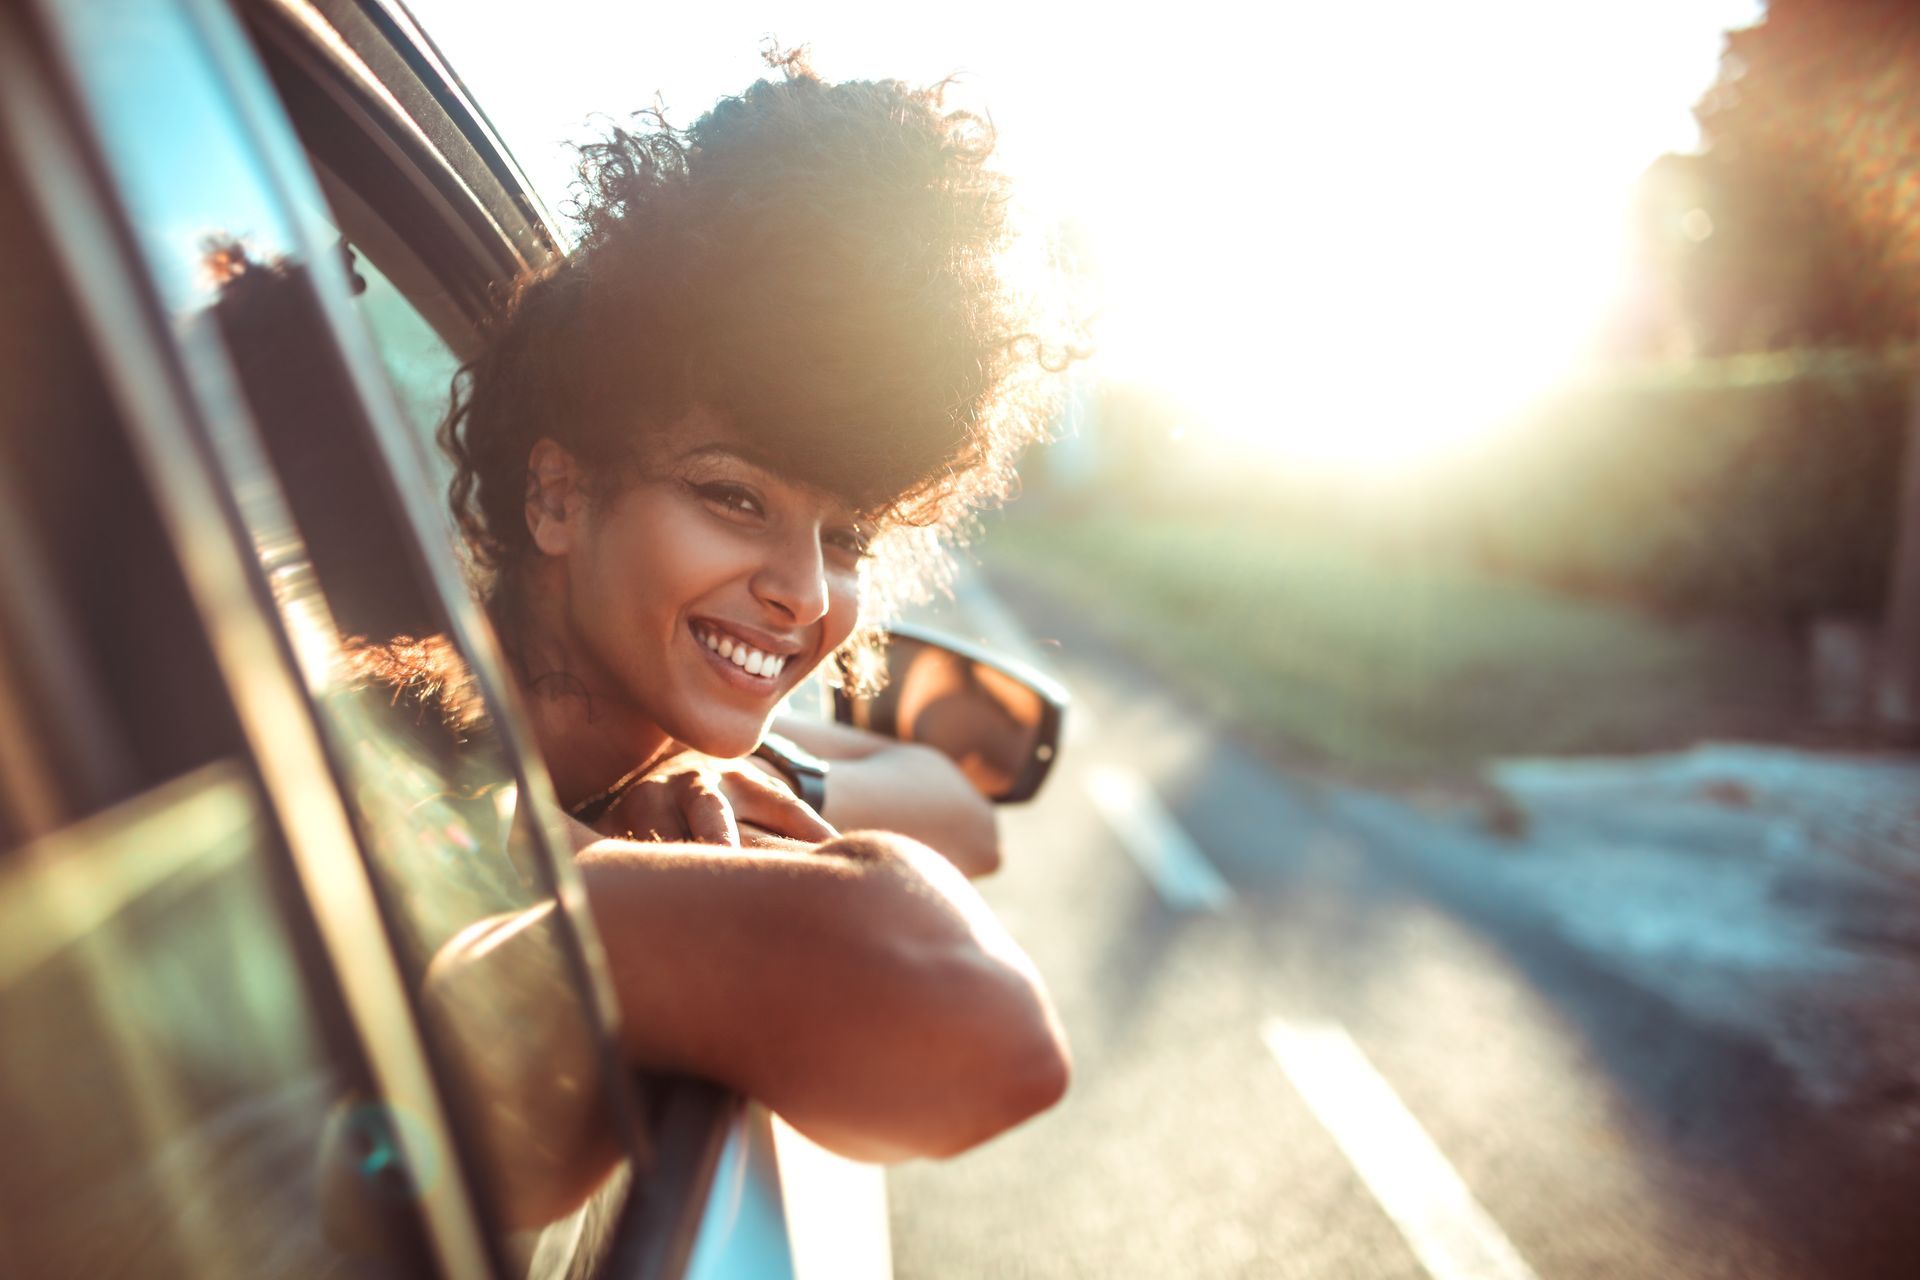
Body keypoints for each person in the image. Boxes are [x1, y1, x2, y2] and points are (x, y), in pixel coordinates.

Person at [401, 53, 1078, 1201]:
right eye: (734, 496)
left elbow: (963, 808)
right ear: (556, 494)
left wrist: (751, 776)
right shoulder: (453, 796)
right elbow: (990, 1031)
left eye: (849, 537)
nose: (808, 596)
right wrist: (641, 842)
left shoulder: (647, 740)